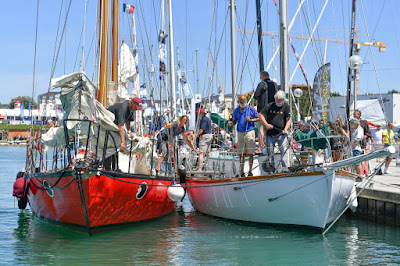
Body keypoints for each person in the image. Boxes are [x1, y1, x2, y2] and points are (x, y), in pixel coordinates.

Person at [104, 97, 142, 171]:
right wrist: (123, 142)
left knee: (115, 147)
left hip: (113, 127)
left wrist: (128, 130)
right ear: (131, 103)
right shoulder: (123, 108)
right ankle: (107, 169)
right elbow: (120, 126)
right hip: (106, 125)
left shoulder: (131, 109)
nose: (136, 109)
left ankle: (115, 168)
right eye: (136, 107)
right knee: (110, 146)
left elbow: (128, 120)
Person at [259, 90, 291, 172]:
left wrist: (286, 129)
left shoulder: (286, 107)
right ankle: (272, 170)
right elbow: (260, 115)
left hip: (281, 134)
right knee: (270, 152)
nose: (280, 102)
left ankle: (285, 169)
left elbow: (289, 119)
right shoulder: (270, 106)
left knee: (284, 151)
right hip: (270, 134)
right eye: (278, 100)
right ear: (275, 99)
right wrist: (266, 125)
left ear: (284, 99)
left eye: (281, 100)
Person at [228, 94, 259, 177]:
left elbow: (259, 118)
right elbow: (235, 121)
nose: (243, 103)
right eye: (242, 101)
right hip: (240, 132)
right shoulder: (236, 111)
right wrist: (231, 123)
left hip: (249, 131)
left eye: (244, 101)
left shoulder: (251, 109)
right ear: (239, 102)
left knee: (251, 153)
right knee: (241, 153)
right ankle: (241, 171)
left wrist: (251, 120)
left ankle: (250, 171)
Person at [253, 70, 279, 154]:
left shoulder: (262, 84)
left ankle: (259, 148)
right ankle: (273, 147)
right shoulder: (275, 85)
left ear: (263, 76)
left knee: (261, 129)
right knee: (271, 129)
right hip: (273, 111)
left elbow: (256, 96)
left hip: (263, 111)